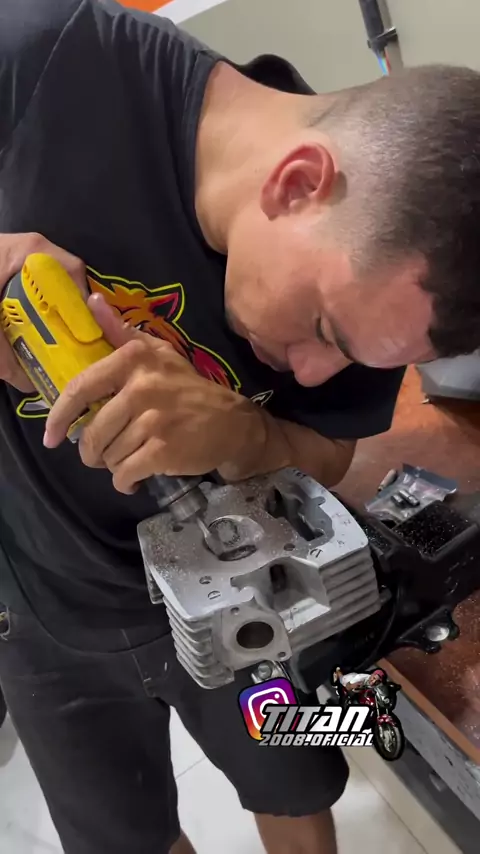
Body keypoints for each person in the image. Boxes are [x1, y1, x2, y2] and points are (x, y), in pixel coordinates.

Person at [1, 2, 480, 853]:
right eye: (324, 331)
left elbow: (327, 450)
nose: (312, 374)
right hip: (47, 600)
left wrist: (245, 437)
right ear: (297, 185)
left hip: (254, 600)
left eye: (354, 356)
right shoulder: (36, 59)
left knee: (294, 783)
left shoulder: (383, 275)